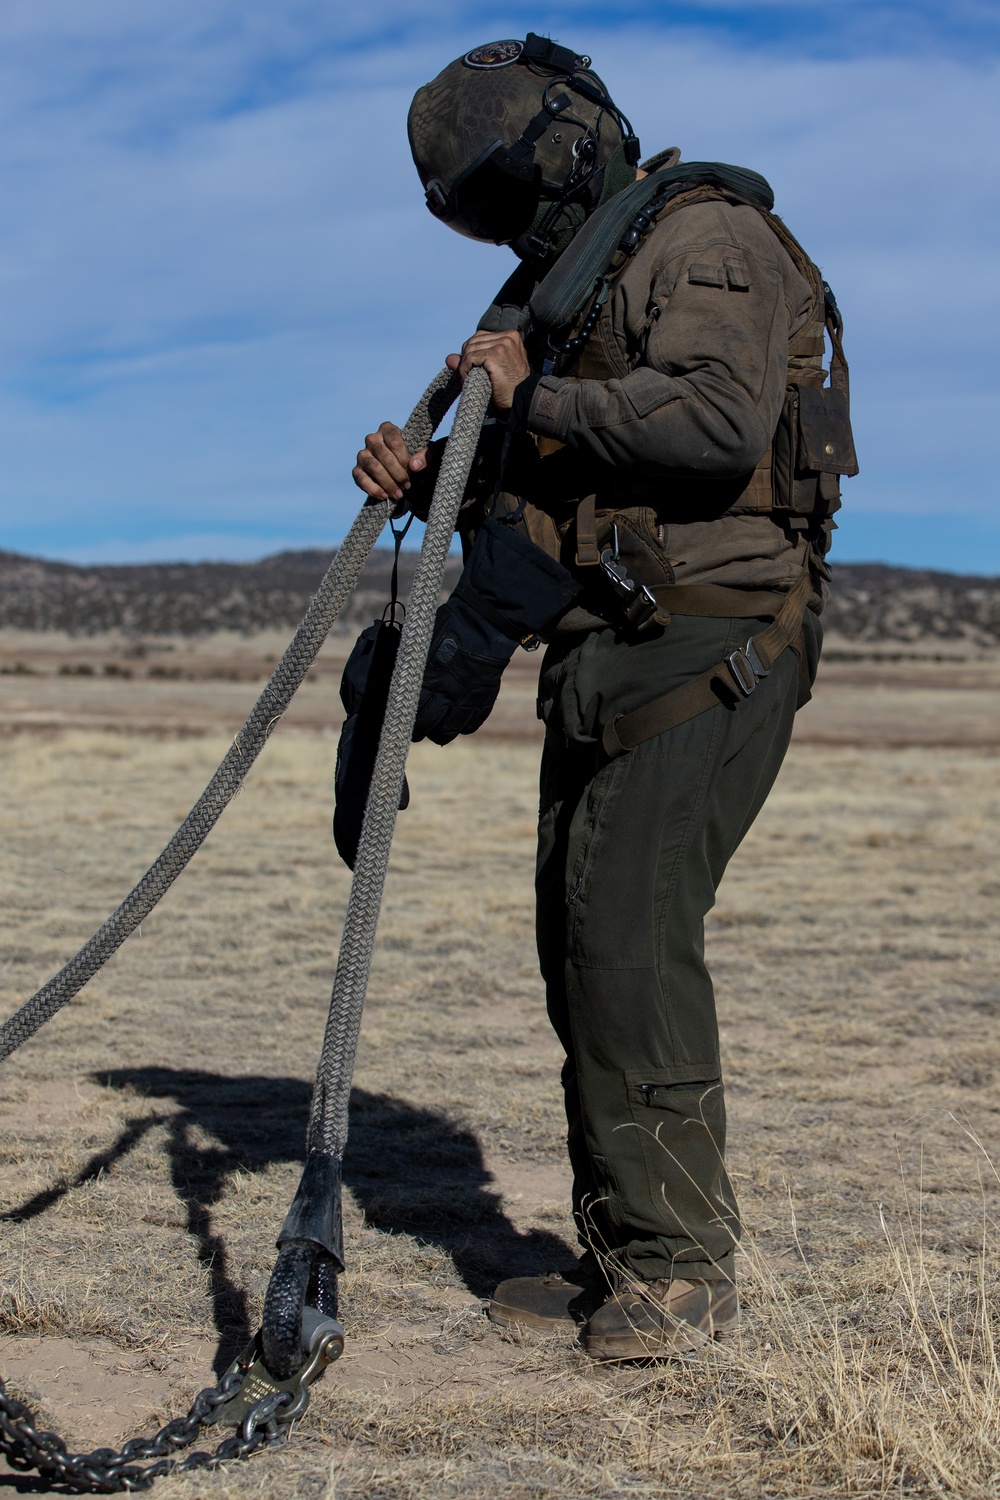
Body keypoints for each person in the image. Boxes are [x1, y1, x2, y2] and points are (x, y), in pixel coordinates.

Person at [352, 33, 855, 1361]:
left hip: (711, 639)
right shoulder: (572, 287)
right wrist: (431, 472)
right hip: (612, 644)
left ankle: (682, 1275)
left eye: (511, 193)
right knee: (581, 947)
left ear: (574, 143)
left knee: (628, 940)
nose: (507, 229)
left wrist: (540, 395)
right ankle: (625, 1256)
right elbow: (541, 465)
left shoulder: (709, 239)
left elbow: (715, 424)